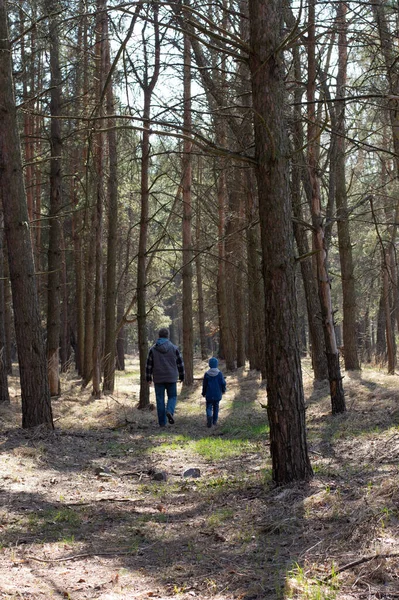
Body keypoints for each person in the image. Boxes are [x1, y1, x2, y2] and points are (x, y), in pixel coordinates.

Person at [146, 328, 185, 427]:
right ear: (168, 336)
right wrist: (182, 376)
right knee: (172, 396)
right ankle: (170, 411)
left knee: (160, 399)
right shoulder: (174, 348)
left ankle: (162, 423)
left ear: (159, 336)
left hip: (158, 378)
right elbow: (180, 363)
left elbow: (149, 365)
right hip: (171, 377)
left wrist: (148, 378)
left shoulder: (153, 349)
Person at [202, 357, 226, 428]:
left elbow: (204, 385)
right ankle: (214, 421)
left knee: (208, 407)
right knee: (216, 407)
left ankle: (209, 416)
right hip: (217, 394)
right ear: (217, 364)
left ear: (209, 365)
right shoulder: (219, 374)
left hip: (209, 394)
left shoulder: (206, 374)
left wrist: (203, 393)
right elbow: (223, 383)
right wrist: (223, 390)